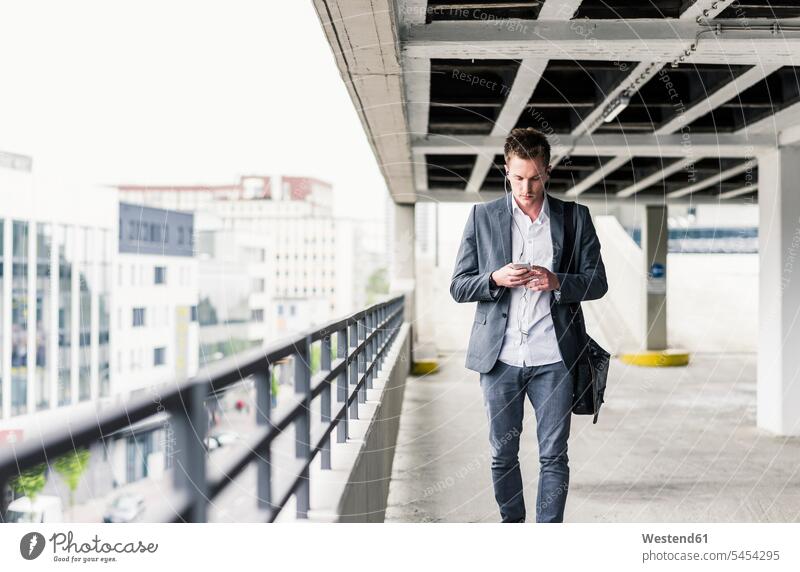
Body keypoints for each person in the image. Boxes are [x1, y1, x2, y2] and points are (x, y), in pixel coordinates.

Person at [449, 127, 608, 522]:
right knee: (502, 454)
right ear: (506, 170)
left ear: (548, 171)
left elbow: (598, 281)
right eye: (518, 177)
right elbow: (458, 286)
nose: (526, 187)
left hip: (554, 359)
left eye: (535, 177)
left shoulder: (575, 218)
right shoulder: (482, 216)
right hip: (499, 360)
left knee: (554, 455)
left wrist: (558, 282)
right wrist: (493, 279)